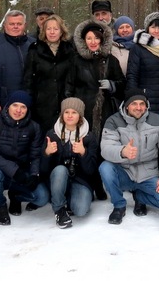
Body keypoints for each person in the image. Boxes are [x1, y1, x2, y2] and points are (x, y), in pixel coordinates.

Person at [99, 89, 159, 224]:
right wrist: (122, 152)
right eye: (134, 104)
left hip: (148, 175)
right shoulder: (113, 121)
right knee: (105, 167)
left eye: (142, 104)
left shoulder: (157, 121)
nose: (139, 108)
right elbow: (106, 149)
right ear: (127, 106)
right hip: (125, 172)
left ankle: (140, 197)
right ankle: (119, 206)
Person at [0, 91, 50, 226]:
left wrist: (34, 174)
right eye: (15, 105)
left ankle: (16, 196)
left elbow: (35, 155)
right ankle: (0, 205)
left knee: (42, 197)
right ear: (8, 106)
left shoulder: (34, 127)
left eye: (23, 107)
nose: (18, 110)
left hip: (22, 173)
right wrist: (14, 170)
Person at [41, 98, 100, 229]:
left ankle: (67, 199)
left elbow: (91, 170)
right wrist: (47, 153)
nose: (70, 115)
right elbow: (43, 169)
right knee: (60, 170)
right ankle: (59, 210)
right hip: (58, 179)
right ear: (62, 115)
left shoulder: (89, 137)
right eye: (66, 112)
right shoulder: (52, 135)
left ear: (80, 116)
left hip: (80, 181)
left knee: (80, 210)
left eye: (74, 112)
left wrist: (83, 153)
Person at [66, 19, 126, 136]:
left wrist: (112, 85)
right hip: (82, 109)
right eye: (89, 38)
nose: (93, 42)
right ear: (84, 41)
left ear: (102, 39)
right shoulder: (76, 61)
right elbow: (69, 87)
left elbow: (123, 84)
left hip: (106, 111)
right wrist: (71, 109)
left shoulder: (111, 60)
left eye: (96, 38)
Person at [22, 14, 76, 133]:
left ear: (61, 31)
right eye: (49, 29)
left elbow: (73, 78)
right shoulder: (35, 50)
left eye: (55, 29)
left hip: (65, 106)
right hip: (41, 107)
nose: (52, 32)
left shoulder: (70, 50)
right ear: (44, 31)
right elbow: (28, 80)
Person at [126, 12, 159, 124]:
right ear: (147, 28)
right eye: (153, 27)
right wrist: (133, 99)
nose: (156, 31)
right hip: (146, 100)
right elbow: (132, 76)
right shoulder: (138, 48)